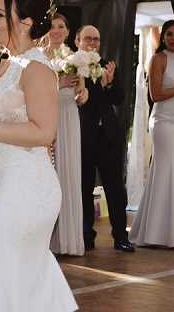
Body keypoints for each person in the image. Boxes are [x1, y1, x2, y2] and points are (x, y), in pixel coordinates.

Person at [0, 0, 78, 311]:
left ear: (25, 21)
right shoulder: (9, 62)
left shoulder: (37, 67)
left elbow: (43, 132)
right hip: (7, 185)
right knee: (17, 280)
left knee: (8, 276)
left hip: (26, 190)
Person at [129, 20, 174, 247]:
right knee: (164, 172)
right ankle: (156, 233)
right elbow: (156, 95)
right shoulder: (158, 59)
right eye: (169, 34)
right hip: (164, 121)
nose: (173, 38)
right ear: (163, 38)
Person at [76, 25, 134, 252]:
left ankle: (121, 236)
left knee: (115, 188)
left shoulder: (108, 64)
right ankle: (86, 236)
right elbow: (83, 100)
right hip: (84, 134)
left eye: (96, 39)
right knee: (84, 187)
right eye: (88, 38)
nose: (92, 43)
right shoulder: (72, 66)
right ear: (78, 40)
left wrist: (109, 82)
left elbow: (119, 98)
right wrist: (100, 86)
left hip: (108, 135)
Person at [41, 13, 88, 256]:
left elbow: (82, 92)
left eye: (61, 26)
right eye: (52, 26)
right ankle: (46, 240)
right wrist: (57, 85)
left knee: (68, 173)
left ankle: (67, 240)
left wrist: (82, 94)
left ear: (69, 32)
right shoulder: (39, 57)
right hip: (47, 117)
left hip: (69, 117)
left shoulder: (75, 57)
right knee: (49, 175)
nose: (57, 30)